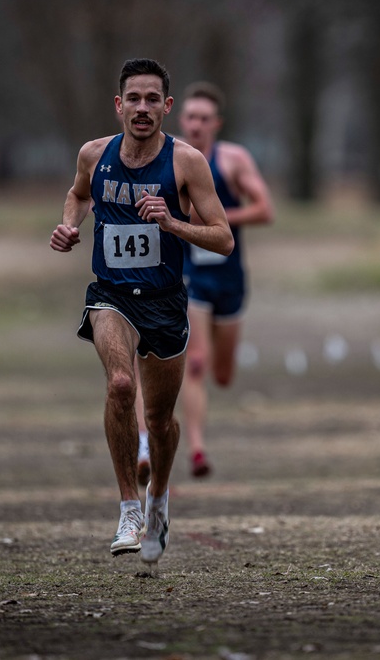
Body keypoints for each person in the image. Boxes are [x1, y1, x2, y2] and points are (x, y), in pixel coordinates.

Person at [49, 59, 234, 568]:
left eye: (154, 99)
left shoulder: (186, 162)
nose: (143, 108)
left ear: (167, 107)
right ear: (119, 104)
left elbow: (223, 237)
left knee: (159, 419)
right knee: (120, 387)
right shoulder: (94, 154)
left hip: (166, 301)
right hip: (111, 295)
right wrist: (68, 226)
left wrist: (174, 224)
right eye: (134, 98)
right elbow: (77, 195)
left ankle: (158, 501)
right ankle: (129, 506)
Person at [135, 81, 273, 481]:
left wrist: (215, 223)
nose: (195, 125)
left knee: (223, 374)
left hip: (229, 276)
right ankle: (197, 449)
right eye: (190, 117)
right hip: (189, 275)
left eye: (204, 119)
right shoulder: (173, 158)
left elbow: (265, 209)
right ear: (182, 119)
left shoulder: (233, 160)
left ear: (217, 123)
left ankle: (188, 431)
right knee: (195, 363)